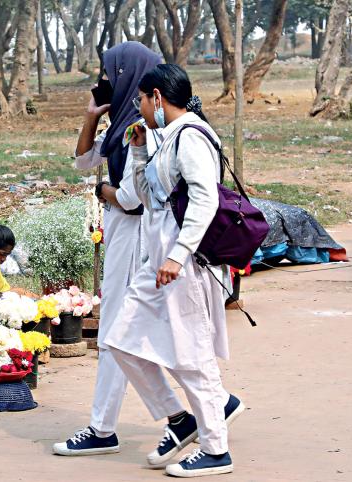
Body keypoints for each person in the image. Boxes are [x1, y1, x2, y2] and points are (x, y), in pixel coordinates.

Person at [104, 64, 244, 477]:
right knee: (120, 341)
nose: (141, 108)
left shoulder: (192, 137)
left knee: (191, 355)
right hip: (158, 263)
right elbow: (148, 200)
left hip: (183, 266)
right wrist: (139, 150)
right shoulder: (165, 139)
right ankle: (179, 420)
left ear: (157, 98)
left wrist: (178, 255)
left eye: (143, 101)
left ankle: (217, 450)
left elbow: (205, 200)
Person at [54, 41, 161, 458]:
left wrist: (103, 191)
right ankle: (211, 405)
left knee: (117, 332)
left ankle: (103, 427)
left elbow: (131, 198)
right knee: (143, 330)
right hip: (125, 234)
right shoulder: (122, 123)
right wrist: (90, 116)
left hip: (135, 237)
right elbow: (82, 161)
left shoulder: (144, 127)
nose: (104, 82)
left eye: (110, 74)